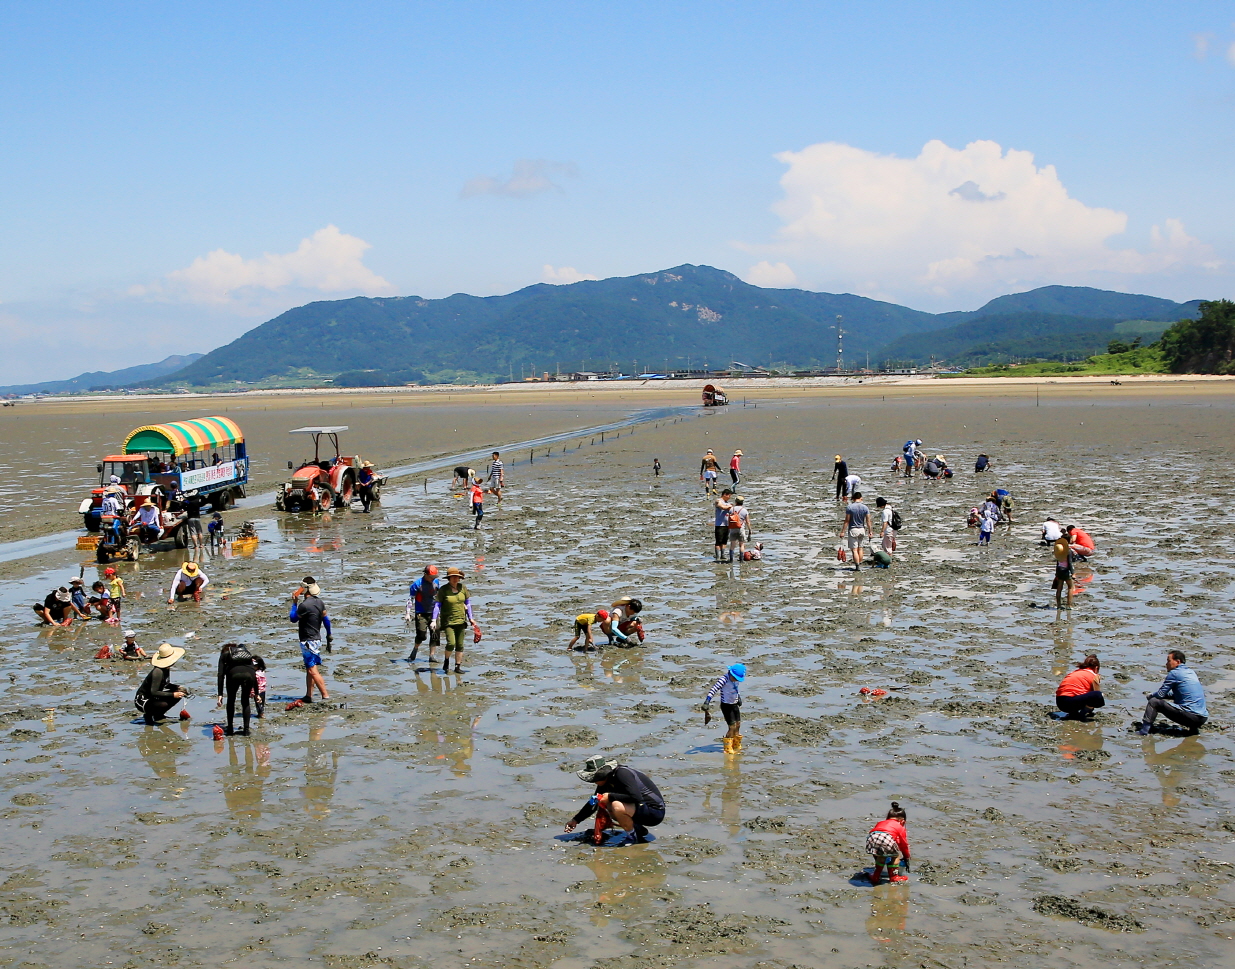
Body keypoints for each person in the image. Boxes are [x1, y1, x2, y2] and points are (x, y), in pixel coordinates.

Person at [564, 755, 665, 846]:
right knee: (609, 805)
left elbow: (636, 798)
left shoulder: (622, 774)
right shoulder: (606, 781)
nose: (594, 782)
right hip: (639, 809)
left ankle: (632, 837)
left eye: (595, 779)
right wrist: (576, 820)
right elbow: (594, 802)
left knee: (616, 806)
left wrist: (610, 796)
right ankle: (637, 829)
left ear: (602, 774)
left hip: (655, 812)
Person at [1135, 651, 1208, 736]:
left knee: (1153, 702)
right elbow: (1181, 695)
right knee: (1189, 703)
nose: (1166, 664)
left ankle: (1144, 730)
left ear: (1177, 662)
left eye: (1168, 661)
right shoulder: (1191, 672)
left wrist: (1151, 695)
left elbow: (1160, 694)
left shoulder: (1174, 673)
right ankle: (1193, 731)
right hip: (1202, 718)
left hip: (1190, 717)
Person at [290, 576, 332, 702]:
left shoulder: (304, 606)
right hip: (316, 639)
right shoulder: (319, 602)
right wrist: (329, 635)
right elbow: (326, 620)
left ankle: (325, 695)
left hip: (308, 640)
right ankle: (309, 695)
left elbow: (293, 618)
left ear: (305, 589)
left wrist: (294, 603)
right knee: (310, 667)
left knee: (312, 670)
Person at [431, 567, 480, 674]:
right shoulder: (443, 590)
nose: (455, 579)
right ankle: (447, 661)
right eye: (453, 577)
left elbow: (468, 603)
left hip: (461, 621)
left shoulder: (463, 588)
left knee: (460, 645)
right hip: (448, 621)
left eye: (457, 577)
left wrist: (471, 618)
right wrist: (434, 620)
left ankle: (457, 666)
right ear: (449, 578)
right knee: (451, 643)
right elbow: (437, 605)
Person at [135, 644, 187, 725]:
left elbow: (166, 684)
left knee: (179, 692)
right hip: (142, 701)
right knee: (165, 703)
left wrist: (178, 688)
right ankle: (149, 715)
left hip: (153, 698)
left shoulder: (166, 668)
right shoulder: (158, 672)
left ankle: (159, 715)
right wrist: (173, 695)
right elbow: (154, 692)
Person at [861, 802, 911, 885]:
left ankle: (876, 876)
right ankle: (894, 877)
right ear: (902, 821)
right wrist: (906, 857)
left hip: (871, 838)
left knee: (881, 855)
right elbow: (903, 844)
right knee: (895, 855)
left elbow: (883, 835)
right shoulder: (899, 826)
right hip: (886, 839)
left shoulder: (881, 822)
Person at [216, 642, 258, 736]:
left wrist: (220, 694)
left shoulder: (225, 654)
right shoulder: (245, 653)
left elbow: (220, 674)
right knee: (245, 701)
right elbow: (253, 671)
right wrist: (257, 693)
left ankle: (230, 729)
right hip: (249, 675)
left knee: (231, 700)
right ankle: (246, 730)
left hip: (233, 674)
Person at [702, 663, 745, 752]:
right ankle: (728, 747)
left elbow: (735, 689)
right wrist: (707, 701)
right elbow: (713, 689)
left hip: (734, 704)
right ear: (731, 673)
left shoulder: (735, 681)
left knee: (738, 724)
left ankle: (736, 744)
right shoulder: (724, 679)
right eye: (735, 678)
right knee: (732, 726)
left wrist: (739, 698)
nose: (736, 680)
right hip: (726, 705)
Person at [406, 565, 441, 663]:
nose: (432, 579)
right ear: (425, 574)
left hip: (434, 612)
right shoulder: (417, 585)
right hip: (421, 612)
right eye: (431, 577)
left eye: (434, 577)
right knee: (422, 634)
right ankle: (415, 649)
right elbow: (411, 599)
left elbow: (439, 597)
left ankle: (432, 656)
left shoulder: (436, 583)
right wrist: (408, 613)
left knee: (435, 634)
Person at [1056, 654, 1105, 719]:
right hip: (1070, 702)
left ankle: (1074, 713)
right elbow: (1096, 695)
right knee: (1099, 695)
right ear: (1096, 668)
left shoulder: (1075, 672)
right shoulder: (1093, 675)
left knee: (1079, 692)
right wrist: (1090, 710)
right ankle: (1082, 714)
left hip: (1060, 702)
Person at [840, 491, 872, 571]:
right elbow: (868, 521)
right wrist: (870, 531)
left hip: (853, 529)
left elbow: (847, 520)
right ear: (860, 498)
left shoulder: (850, 507)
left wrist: (843, 531)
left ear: (853, 499)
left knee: (854, 550)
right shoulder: (865, 508)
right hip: (862, 529)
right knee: (860, 548)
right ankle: (860, 563)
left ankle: (857, 566)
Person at [1051, 536, 1075, 608]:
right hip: (1066, 570)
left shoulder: (1058, 550)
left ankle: (1058, 605)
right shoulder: (1068, 551)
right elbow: (1070, 563)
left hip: (1059, 570)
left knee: (1059, 588)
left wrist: (1056, 572)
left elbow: (1058, 563)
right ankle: (1069, 605)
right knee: (1070, 587)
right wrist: (1073, 573)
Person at [726, 496, 750, 562]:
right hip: (741, 528)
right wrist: (750, 530)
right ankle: (741, 560)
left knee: (732, 545)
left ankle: (731, 559)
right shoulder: (744, 510)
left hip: (732, 529)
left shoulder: (731, 509)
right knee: (741, 544)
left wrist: (728, 529)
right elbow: (747, 522)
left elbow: (728, 520)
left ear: (736, 501)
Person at [713, 488, 734, 562]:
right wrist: (728, 507)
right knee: (718, 541)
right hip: (719, 525)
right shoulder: (718, 501)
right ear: (725, 495)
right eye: (729, 496)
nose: (730, 497)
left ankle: (723, 555)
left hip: (727, 524)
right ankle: (718, 556)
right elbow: (721, 506)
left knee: (724, 541)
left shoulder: (728, 503)